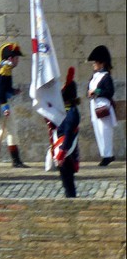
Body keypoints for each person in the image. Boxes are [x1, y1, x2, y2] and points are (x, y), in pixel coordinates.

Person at [0, 43, 28, 167]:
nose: (18, 60)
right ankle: (15, 161)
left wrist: (13, 91)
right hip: (0, 103)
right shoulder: (5, 70)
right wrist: (5, 107)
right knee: (12, 130)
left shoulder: (6, 69)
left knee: (5, 131)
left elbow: (4, 88)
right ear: (10, 58)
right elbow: (0, 91)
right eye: (16, 58)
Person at [86, 45, 118, 166]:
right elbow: (88, 90)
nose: (94, 64)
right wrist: (90, 93)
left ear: (102, 63)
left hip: (104, 106)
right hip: (94, 106)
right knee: (98, 131)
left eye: (96, 62)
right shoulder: (94, 77)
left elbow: (110, 91)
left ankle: (108, 155)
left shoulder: (106, 77)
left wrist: (97, 92)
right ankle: (104, 154)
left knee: (105, 131)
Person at [52, 68, 81, 197]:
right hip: (65, 149)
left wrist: (61, 154)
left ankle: (72, 201)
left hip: (67, 151)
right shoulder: (66, 111)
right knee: (65, 181)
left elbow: (68, 133)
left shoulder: (72, 113)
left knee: (68, 182)